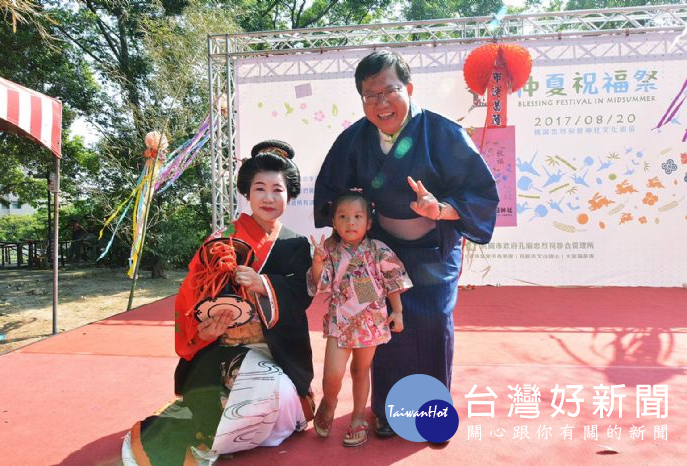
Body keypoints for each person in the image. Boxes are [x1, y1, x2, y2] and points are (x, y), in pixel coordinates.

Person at [313, 49, 499, 437]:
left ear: (410, 88)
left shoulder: (443, 133)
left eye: (389, 91)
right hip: (377, 255)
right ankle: (387, 413)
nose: (381, 103)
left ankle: (430, 415)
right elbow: (333, 193)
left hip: (433, 251)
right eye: (370, 95)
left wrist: (441, 209)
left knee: (432, 326)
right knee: (384, 332)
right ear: (362, 100)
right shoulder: (353, 140)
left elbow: (480, 193)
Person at [122, 140, 315, 465]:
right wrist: (206, 328)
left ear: (290, 195)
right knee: (250, 396)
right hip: (223, 348)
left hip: (276, 349)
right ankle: (223, 428)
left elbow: (300, 298)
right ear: (247, 192)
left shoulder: (296, 243)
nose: (268, 198)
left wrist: (265, 284)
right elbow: (193, 293)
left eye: (278, 190)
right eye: (260, 188)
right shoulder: (221, 238)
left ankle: (243, 429)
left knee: (278, 395)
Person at [307, 190, 412, 447]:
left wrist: (397, 311)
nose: (350, 222)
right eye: (343, 216)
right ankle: (329, 402)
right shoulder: (330, 250)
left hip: (370, 321)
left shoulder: (378, 250)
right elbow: (321, 285)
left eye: (357, 216)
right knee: (332, 374)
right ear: (333, 221)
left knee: (360, 371)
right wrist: (318, 261)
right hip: (339, 322)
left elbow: (393, 281)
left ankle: (357, 418)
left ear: (368, 222)